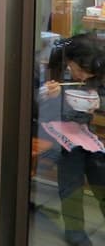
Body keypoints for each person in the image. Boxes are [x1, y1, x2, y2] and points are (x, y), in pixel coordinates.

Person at [40, 34, 105, 246]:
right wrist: (50, 95)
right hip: (56, 133)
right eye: (82, 71)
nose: (85, 77)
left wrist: (99, 101)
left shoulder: (95, 67)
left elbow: (102, 94)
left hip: (84, 131)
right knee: (72, 183)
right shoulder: (53, 69)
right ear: (71, 60)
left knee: (101, 176)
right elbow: (34, 107)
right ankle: (75, 232)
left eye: (90, 74)